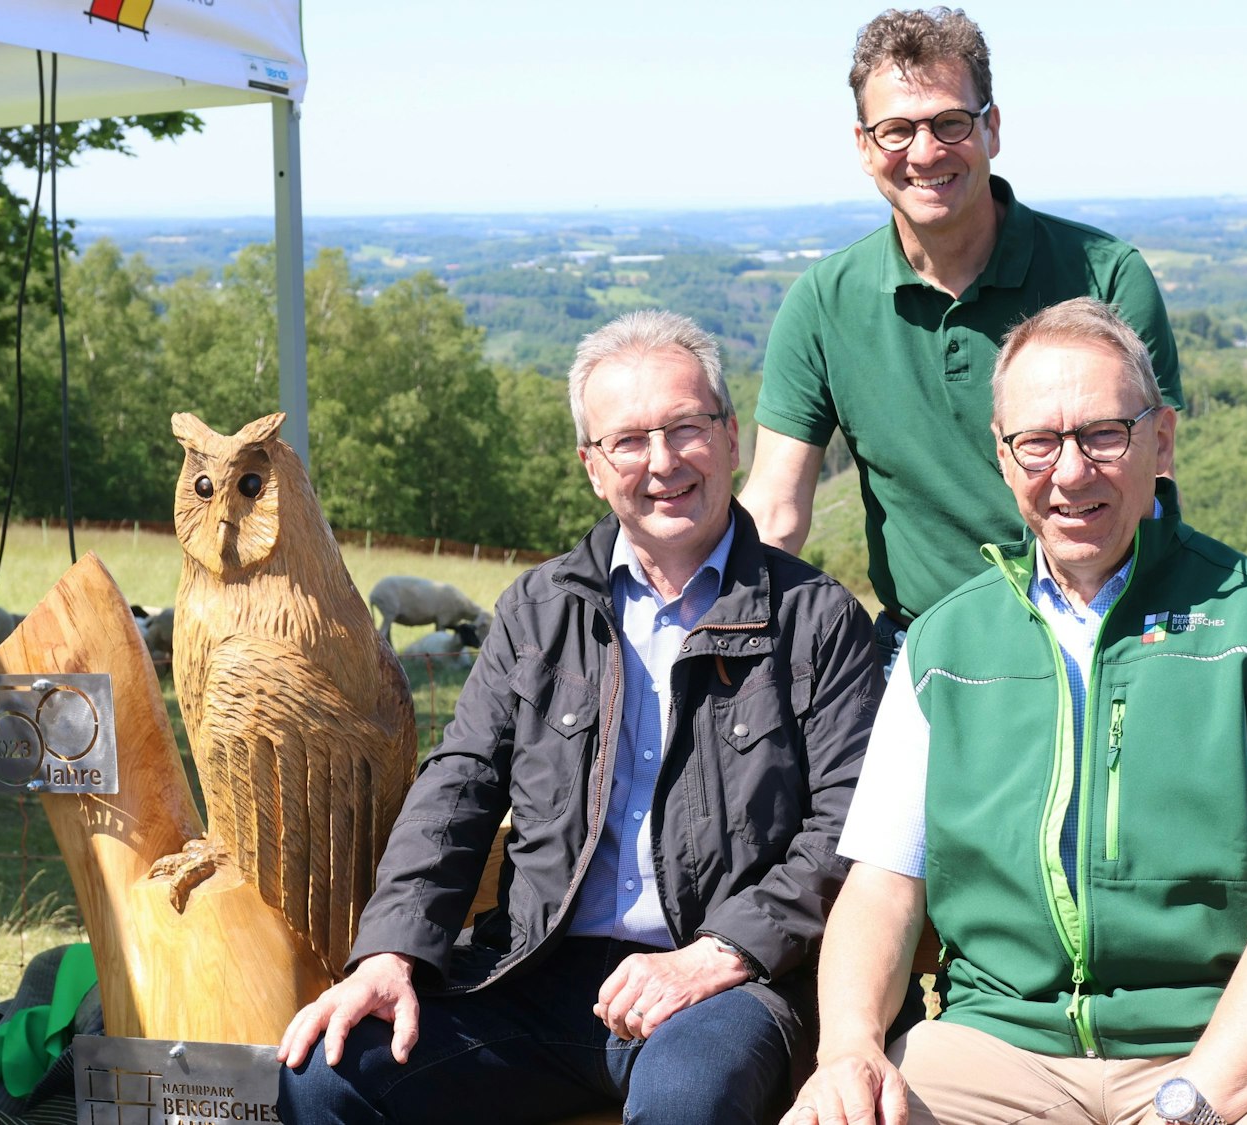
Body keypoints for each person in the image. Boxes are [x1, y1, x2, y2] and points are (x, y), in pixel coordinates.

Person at [785, 297, 1247, 1125]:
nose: (1070, 472)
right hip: (994, 1048)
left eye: (1103, 434)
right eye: (1037, 442)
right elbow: (882, 890)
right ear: (1003, 458)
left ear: (1162, 441)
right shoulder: (942, 644)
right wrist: (849, 1045)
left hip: (1233, 1053)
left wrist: (1191, 1103)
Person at [278, 309, 881, 1125]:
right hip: (535, 973)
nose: (662, 461)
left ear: (732, 439)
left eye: (686, 428)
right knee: (327, 1075)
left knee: (686, 1104)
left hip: (723, 985)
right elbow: (461, 785)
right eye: (628, 441)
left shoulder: (814, 618)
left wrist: (722, 951)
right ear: (592, 466)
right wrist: (391, 951)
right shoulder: (539, 607)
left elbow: (844, 825)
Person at [740, 6, 1182, 672]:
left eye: (950, 122)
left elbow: (1148, 488)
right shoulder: (824, 304)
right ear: (863, 147)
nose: (924, 152)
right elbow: (774, 510)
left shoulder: (1104, 275)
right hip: (921, 655)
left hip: (1101, 637)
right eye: (896, 130)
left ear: (992, 129)